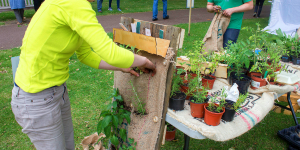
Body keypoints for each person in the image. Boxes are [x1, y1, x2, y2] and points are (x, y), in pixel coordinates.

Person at [10, 0, 157, 149]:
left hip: (56, 91)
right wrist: (143, 61)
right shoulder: (74, 3)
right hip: (37, 98)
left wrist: (122, 66)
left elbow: (86, 55)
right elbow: (110, 53)